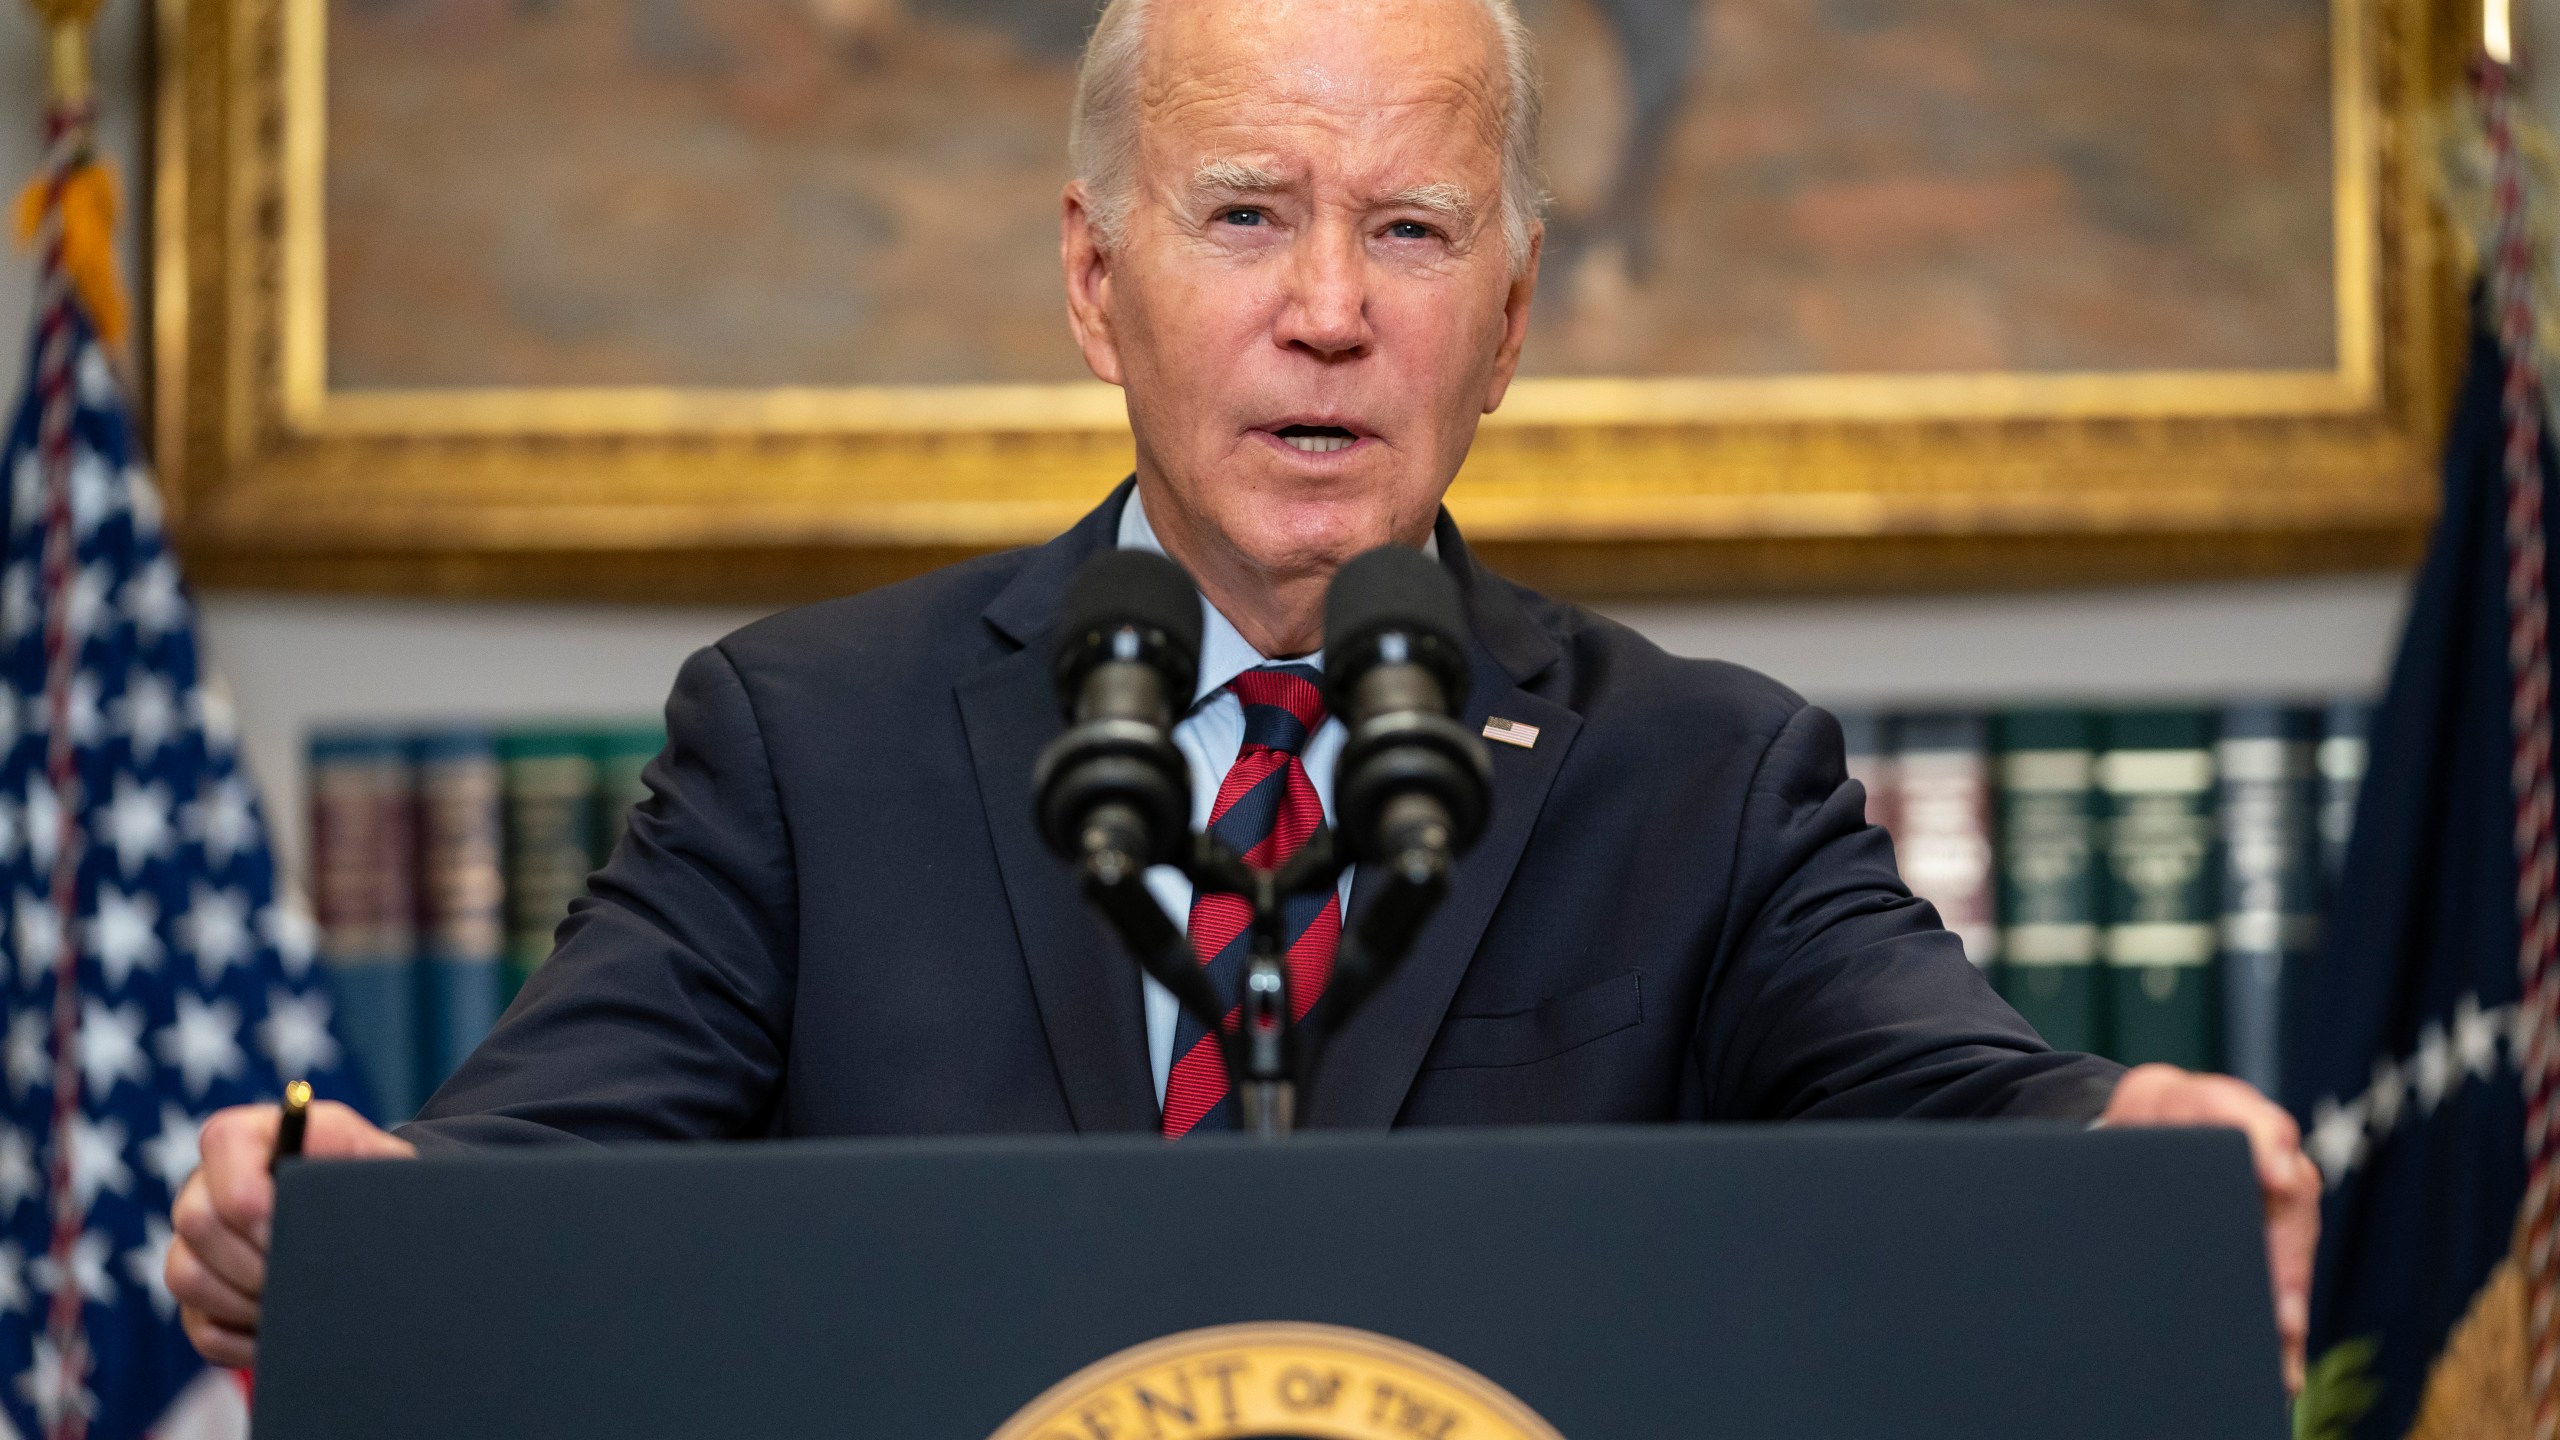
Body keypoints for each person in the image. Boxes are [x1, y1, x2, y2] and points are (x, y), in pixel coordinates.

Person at [165, 0, 2321, 1388]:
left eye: (1405, 228)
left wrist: (2120, 1142)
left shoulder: (1699, 778)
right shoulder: (803, 748)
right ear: (1097, 284)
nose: (1322, 313)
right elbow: (525, 1170)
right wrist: (341, 1213)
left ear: (1510, 311)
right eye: (1242, 216)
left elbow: (1949, 1101)